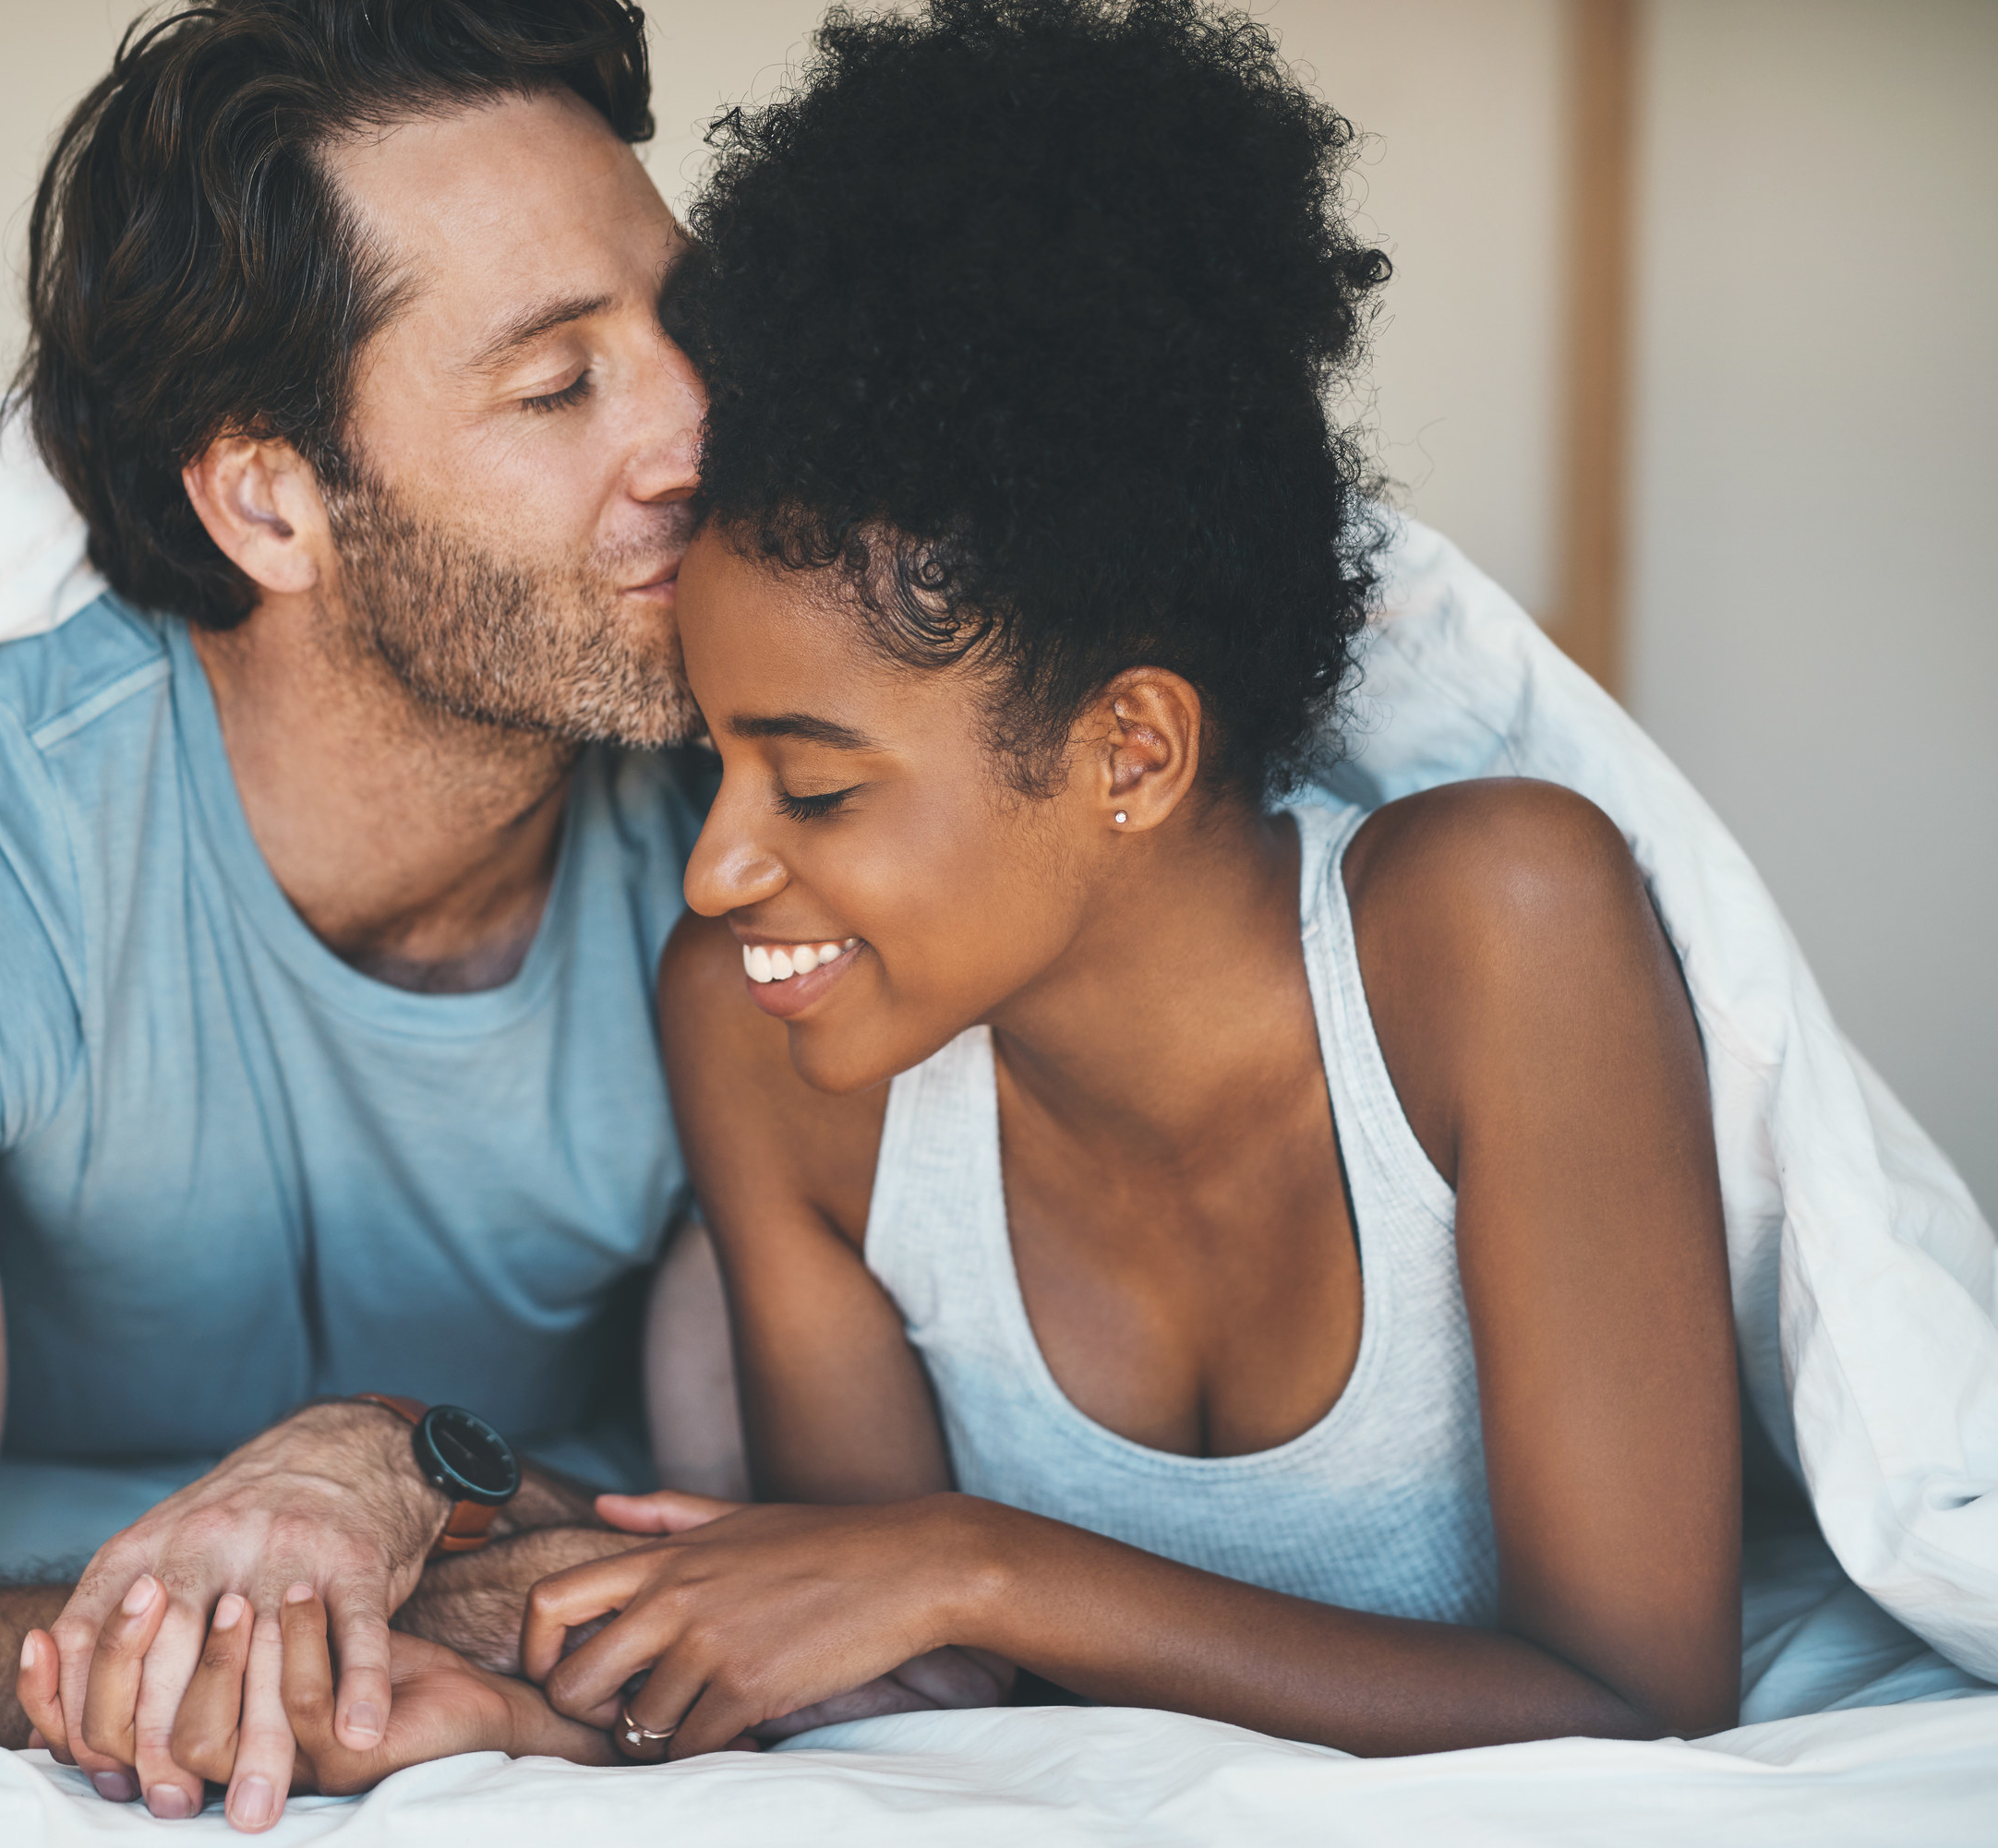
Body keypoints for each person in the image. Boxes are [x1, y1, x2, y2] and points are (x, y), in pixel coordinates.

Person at [520, 0, 1743, 1761]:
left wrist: (980, 1562)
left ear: (1133, 752)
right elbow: (894, 1693)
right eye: (712, 759)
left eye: (818, 779)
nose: (717, 868)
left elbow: (1636, 1698)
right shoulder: (762, 1043)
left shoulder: (1491, 929)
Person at [0, 1, 739, 1831]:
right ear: (270, 501)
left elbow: (829, 1554)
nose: (699, 431)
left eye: (690, 331)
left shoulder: (762, 825)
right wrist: (304, 1614)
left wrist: (398, 1469)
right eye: (558, 387)